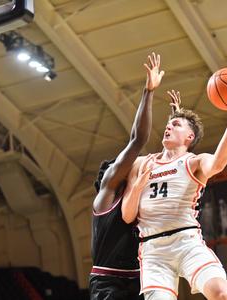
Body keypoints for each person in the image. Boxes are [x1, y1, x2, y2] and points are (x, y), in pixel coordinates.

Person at [122, 80, 227, 300]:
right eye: (169, 124)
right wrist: (137, 188)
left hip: (187, 242)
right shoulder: (141, 164)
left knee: (221, 294)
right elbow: (127, 216)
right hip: (153, 251)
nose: (169, 126)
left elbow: (219, 163)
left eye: (177, 125)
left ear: (190, 138)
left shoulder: (194, 163)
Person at [89, 52, 164, 300]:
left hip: (138, 279)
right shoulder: (106, 197)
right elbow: (138, 140)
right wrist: (149, 91)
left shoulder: (137, 198)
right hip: (108, 282)